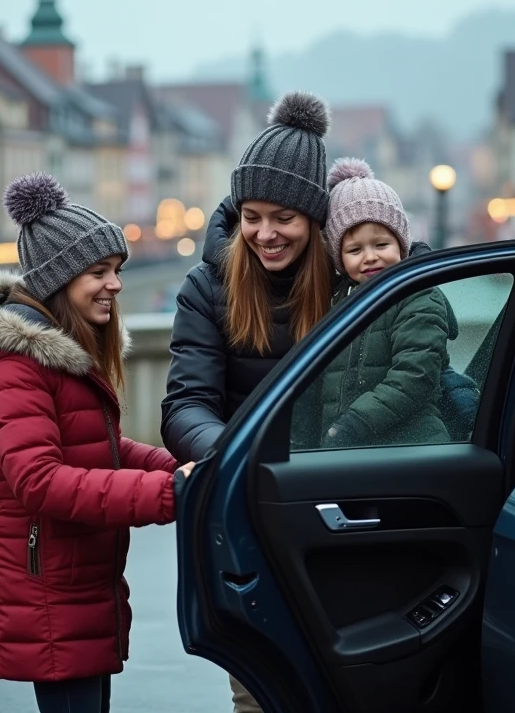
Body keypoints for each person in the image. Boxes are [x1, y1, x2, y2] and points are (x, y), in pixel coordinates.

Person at [0, 172, 193, 713]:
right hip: (48, 586)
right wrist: (167, 494)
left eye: (117, 271)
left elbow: (98, 448)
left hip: (73, 577)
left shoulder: (57, 358)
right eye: (99, 272)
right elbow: (41, 481)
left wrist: (178, 465)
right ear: (59, 280)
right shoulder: (14, 368)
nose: (116, 285)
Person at [161, 91, 334, 713]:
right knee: (261, 692)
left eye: (283, 217)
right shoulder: (208, 286)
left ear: (315, 219)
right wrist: (239, 458)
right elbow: (185, 406)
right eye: (252, 215)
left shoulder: (353, 281)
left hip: (340, 508)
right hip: (248, 519)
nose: (265, 233)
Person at [311, 158, 451, 448]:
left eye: (381, 244)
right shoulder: (336, 302)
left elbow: (414, 375)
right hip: (351, 450)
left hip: (410, 448)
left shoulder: (417, 296)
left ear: (401, 244)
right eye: (354, 249)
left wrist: (353, 425)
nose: (370, 256)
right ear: (339, 257)